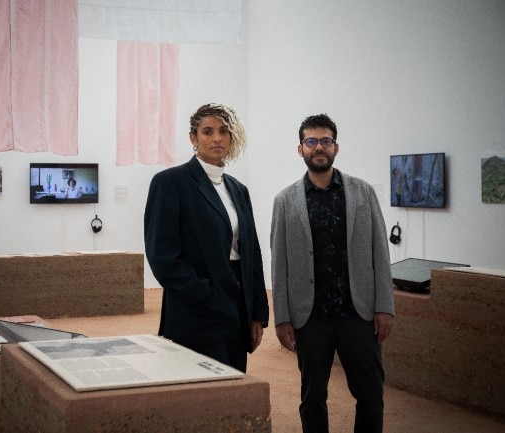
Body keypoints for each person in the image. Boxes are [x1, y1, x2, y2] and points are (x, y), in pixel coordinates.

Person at [270, 113, 395, 433]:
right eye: (311, 141)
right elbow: (279, 263)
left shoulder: (363, 192)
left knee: (370, 395)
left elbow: (380, 252)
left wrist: (385, 306)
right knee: (313, 398)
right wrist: (282, 317)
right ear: (300, 149)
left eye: (325, 141)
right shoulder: (285, 201)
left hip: (359, 314)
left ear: (336, 147)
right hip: (311, 317)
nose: (319, 147)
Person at [144, 103, 269, 373]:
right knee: (207, 388)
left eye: (224, 131)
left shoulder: (238, 189)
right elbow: (163, 258)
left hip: (238, 308)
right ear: (193, 138)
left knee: (235, 383)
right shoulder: (170, 182)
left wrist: (257, 313)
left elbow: (252, 254)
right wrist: (207, 295)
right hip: (197, 310)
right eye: (208, 131)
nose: (217, 138)